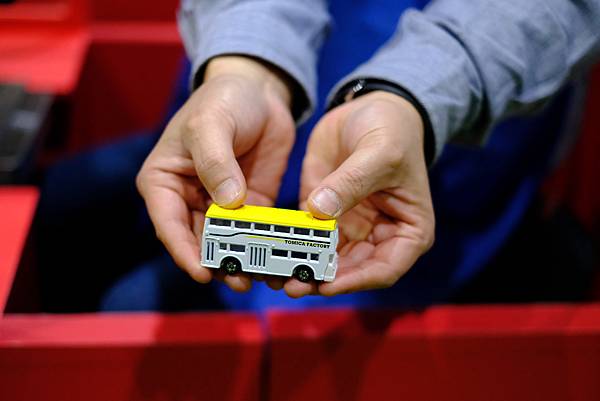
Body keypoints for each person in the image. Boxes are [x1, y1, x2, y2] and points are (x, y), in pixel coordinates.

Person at [38, 0, 600, 311]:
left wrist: (412, 97)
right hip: (248, 118)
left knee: (130, 306)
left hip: (427, 158)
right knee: (56, 205)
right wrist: (248, 63)